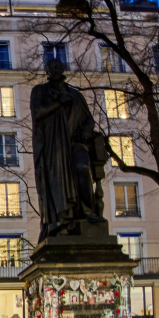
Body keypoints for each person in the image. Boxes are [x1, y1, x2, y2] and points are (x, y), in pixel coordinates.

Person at [30, 58, 106, 242]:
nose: (55, 69)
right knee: (57, 182)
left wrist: (86, 130)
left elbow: (88, 118)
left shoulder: (76, 95)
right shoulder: (40, 91)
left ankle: (87, 212)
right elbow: (37, 114)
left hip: (75, 143)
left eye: (58, 66)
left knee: (82, 167)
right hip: (53, 148)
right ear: (47, 71)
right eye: (51, 67)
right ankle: (60, 221)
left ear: (63, 68)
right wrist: (57, 104)